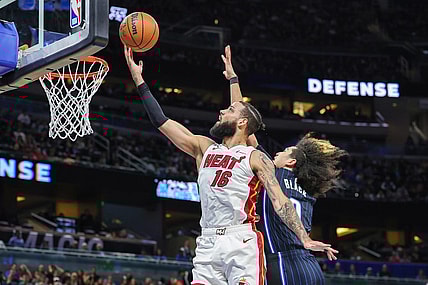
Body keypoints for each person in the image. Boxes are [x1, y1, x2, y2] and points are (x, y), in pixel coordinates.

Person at [124, 46, 333, 285]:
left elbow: (280, 200)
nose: (221, 110)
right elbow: (161, 121)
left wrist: (303, 239)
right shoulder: (204, 147)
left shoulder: (255, 157)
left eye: (229, 110)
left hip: (241, 240)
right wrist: (140, 81)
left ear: (242, 122)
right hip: (208, 242)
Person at [223, 45, 345, 285]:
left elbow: (243, 124)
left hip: (283, 263)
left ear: (290, 161)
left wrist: (233, 80)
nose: (276, 153)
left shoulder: (274, 172)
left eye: (283, 151)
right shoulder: (308, 189)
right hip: (310, 267)